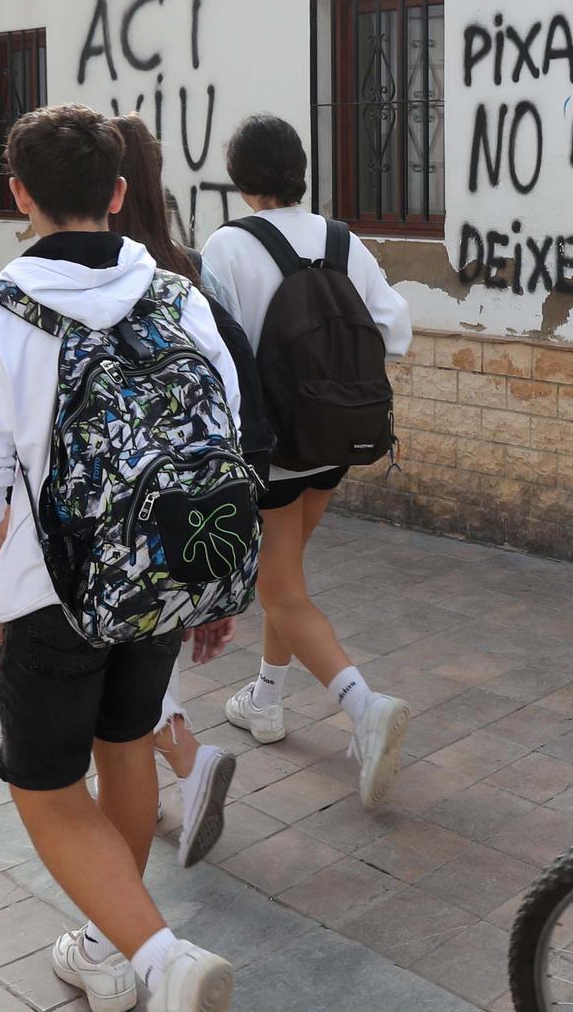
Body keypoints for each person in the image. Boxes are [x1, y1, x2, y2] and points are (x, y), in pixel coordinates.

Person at [0, 104, 237, 1012]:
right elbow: (217, 442)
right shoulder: (180, 296)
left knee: (45, 784)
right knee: (127, 743)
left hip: (48, 595)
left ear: (18, 193)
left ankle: (157, 957)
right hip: (162, 574)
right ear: (116, 193)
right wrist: (212, 583)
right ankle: (109, 947)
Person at [198, 113, 415, 808]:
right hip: (332, 441)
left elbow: (213, 358)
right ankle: (264, 698)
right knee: (284, 582)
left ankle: (365, 706)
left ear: (239, 177)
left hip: (268, 449)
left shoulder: (226, 248)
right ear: (299, 168)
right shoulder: (342, 238)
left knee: (282, 588)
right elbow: (395, 328)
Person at [106, 113, 241, 868]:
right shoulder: (188, 268)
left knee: (118, 660)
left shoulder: (92, 274)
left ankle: (186, 760)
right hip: (192, 504)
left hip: (114, 513)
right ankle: (164, 778)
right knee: (147, 651)